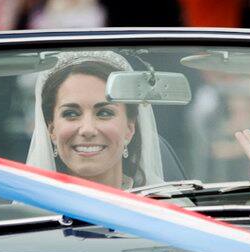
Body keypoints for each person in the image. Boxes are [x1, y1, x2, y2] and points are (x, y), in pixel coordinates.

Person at [27, 51, 164, 189]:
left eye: (104, 113)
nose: (87, 129)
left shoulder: (167, 208)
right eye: (71, 114)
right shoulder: (30, 210)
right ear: (52, 130)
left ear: (129, 128)